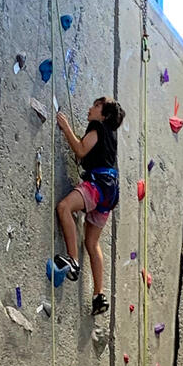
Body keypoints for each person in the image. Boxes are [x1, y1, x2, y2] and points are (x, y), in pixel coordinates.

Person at [55, 97, 125, 315]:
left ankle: (73, 261)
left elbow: (81, 150)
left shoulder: (97, 127)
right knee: (92, 243)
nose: (90, 108)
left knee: (65, 207)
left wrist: (65, 127)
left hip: (98, 185)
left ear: (103, 115)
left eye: (95, 106)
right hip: (110, 192)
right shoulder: (111, 135)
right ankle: (99, 295)